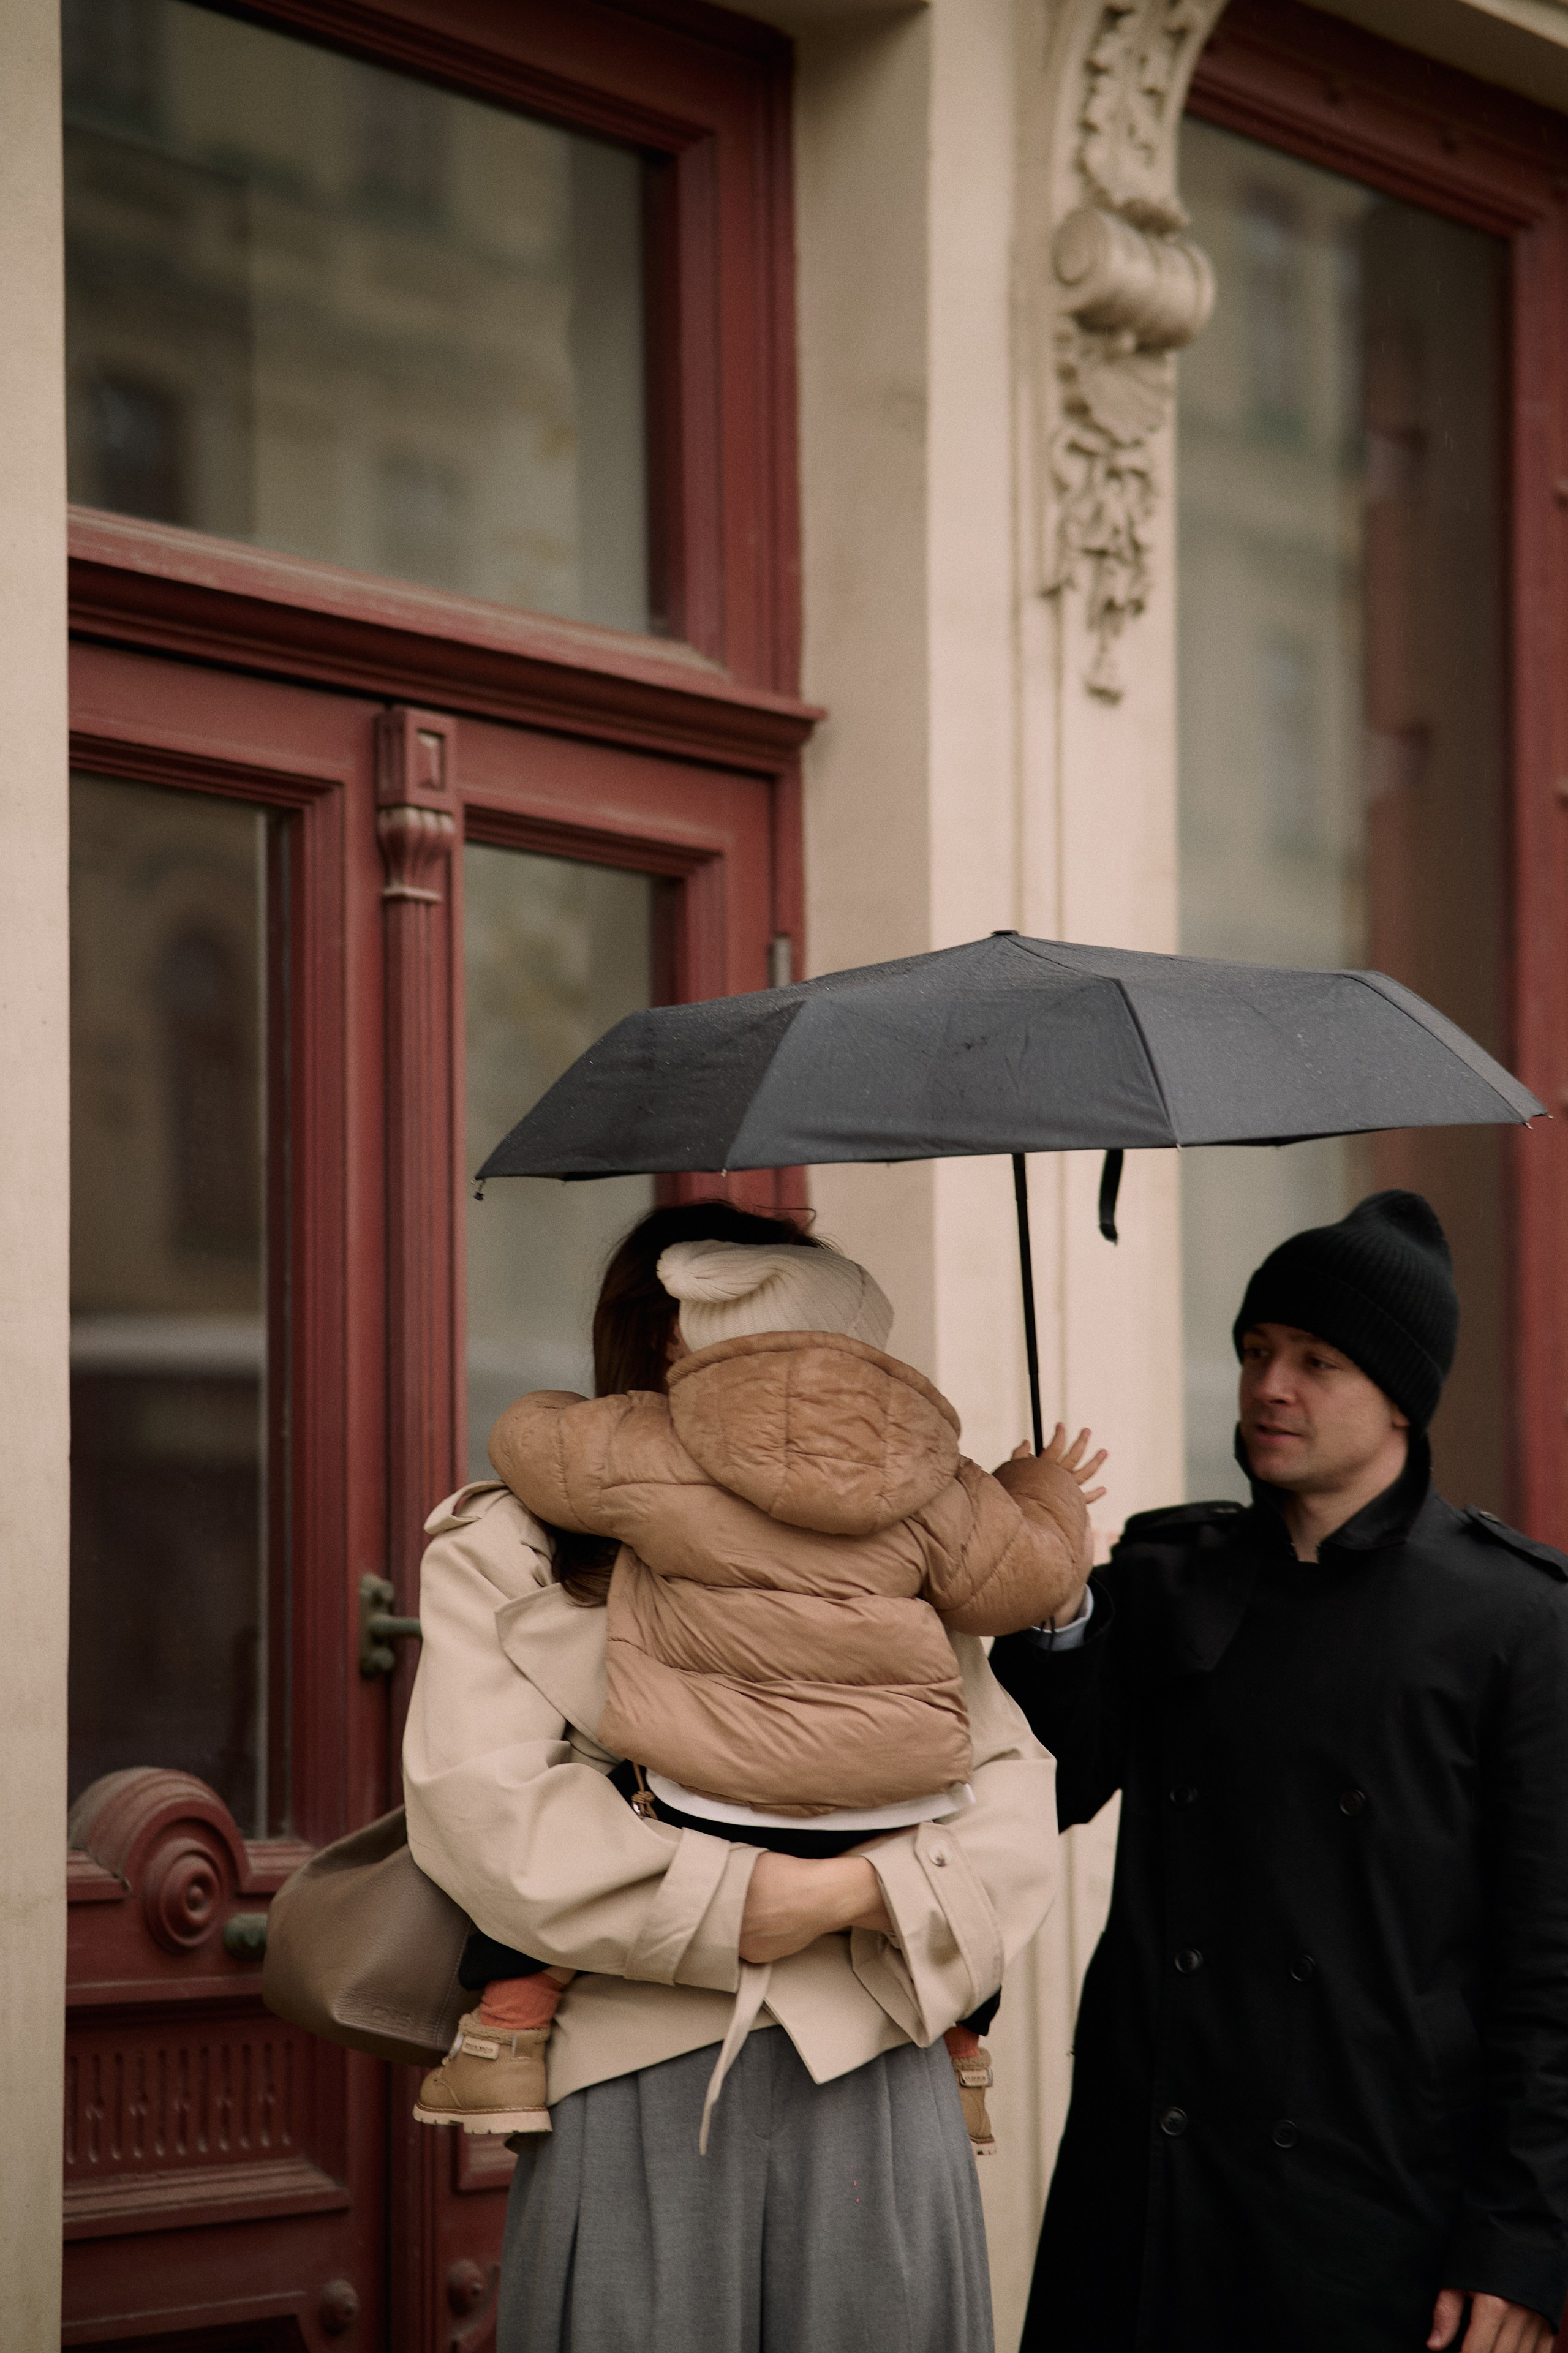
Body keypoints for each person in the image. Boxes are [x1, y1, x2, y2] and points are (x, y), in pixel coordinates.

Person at [402, 1198, 1099, 2353]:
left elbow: (1010, 1784)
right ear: (674, 1340)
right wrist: (730, 1905)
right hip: (637, 2080)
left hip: (882, 2068)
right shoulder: (515, 1543)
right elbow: (484, 1806)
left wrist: (861, 1895)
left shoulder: (890, 1543)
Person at [990, 1190, 1568, 2353]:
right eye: (1257, 1350)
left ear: (1401, 1394)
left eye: (1318, 1360)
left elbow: (1553, 1969)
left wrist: (1524, 2242)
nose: (1269, 1385)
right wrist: (1046, 1598)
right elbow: (1041, 1788)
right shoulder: (1166, 1572)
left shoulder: (1516, 1617)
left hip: (1377, 2200)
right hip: (1151, 2185)